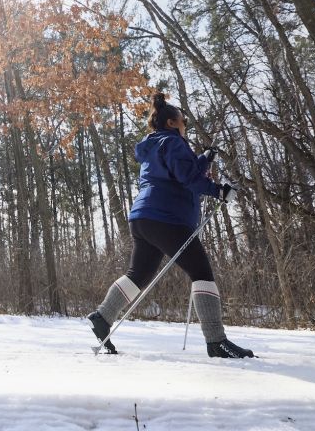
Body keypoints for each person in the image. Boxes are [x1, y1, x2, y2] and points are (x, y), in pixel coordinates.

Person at [87, 93, 254, 358]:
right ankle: (216, 341)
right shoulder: (174, 143)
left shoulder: (154, 147)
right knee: (201, 272)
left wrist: (203, 159)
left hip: (143, 217)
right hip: (167, 217)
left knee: (138, 274)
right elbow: (187, 178)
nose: (185, 124)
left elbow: (176, 174)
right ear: (172, 123)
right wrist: (218, 190)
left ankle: (103, 316)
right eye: (183, 120)